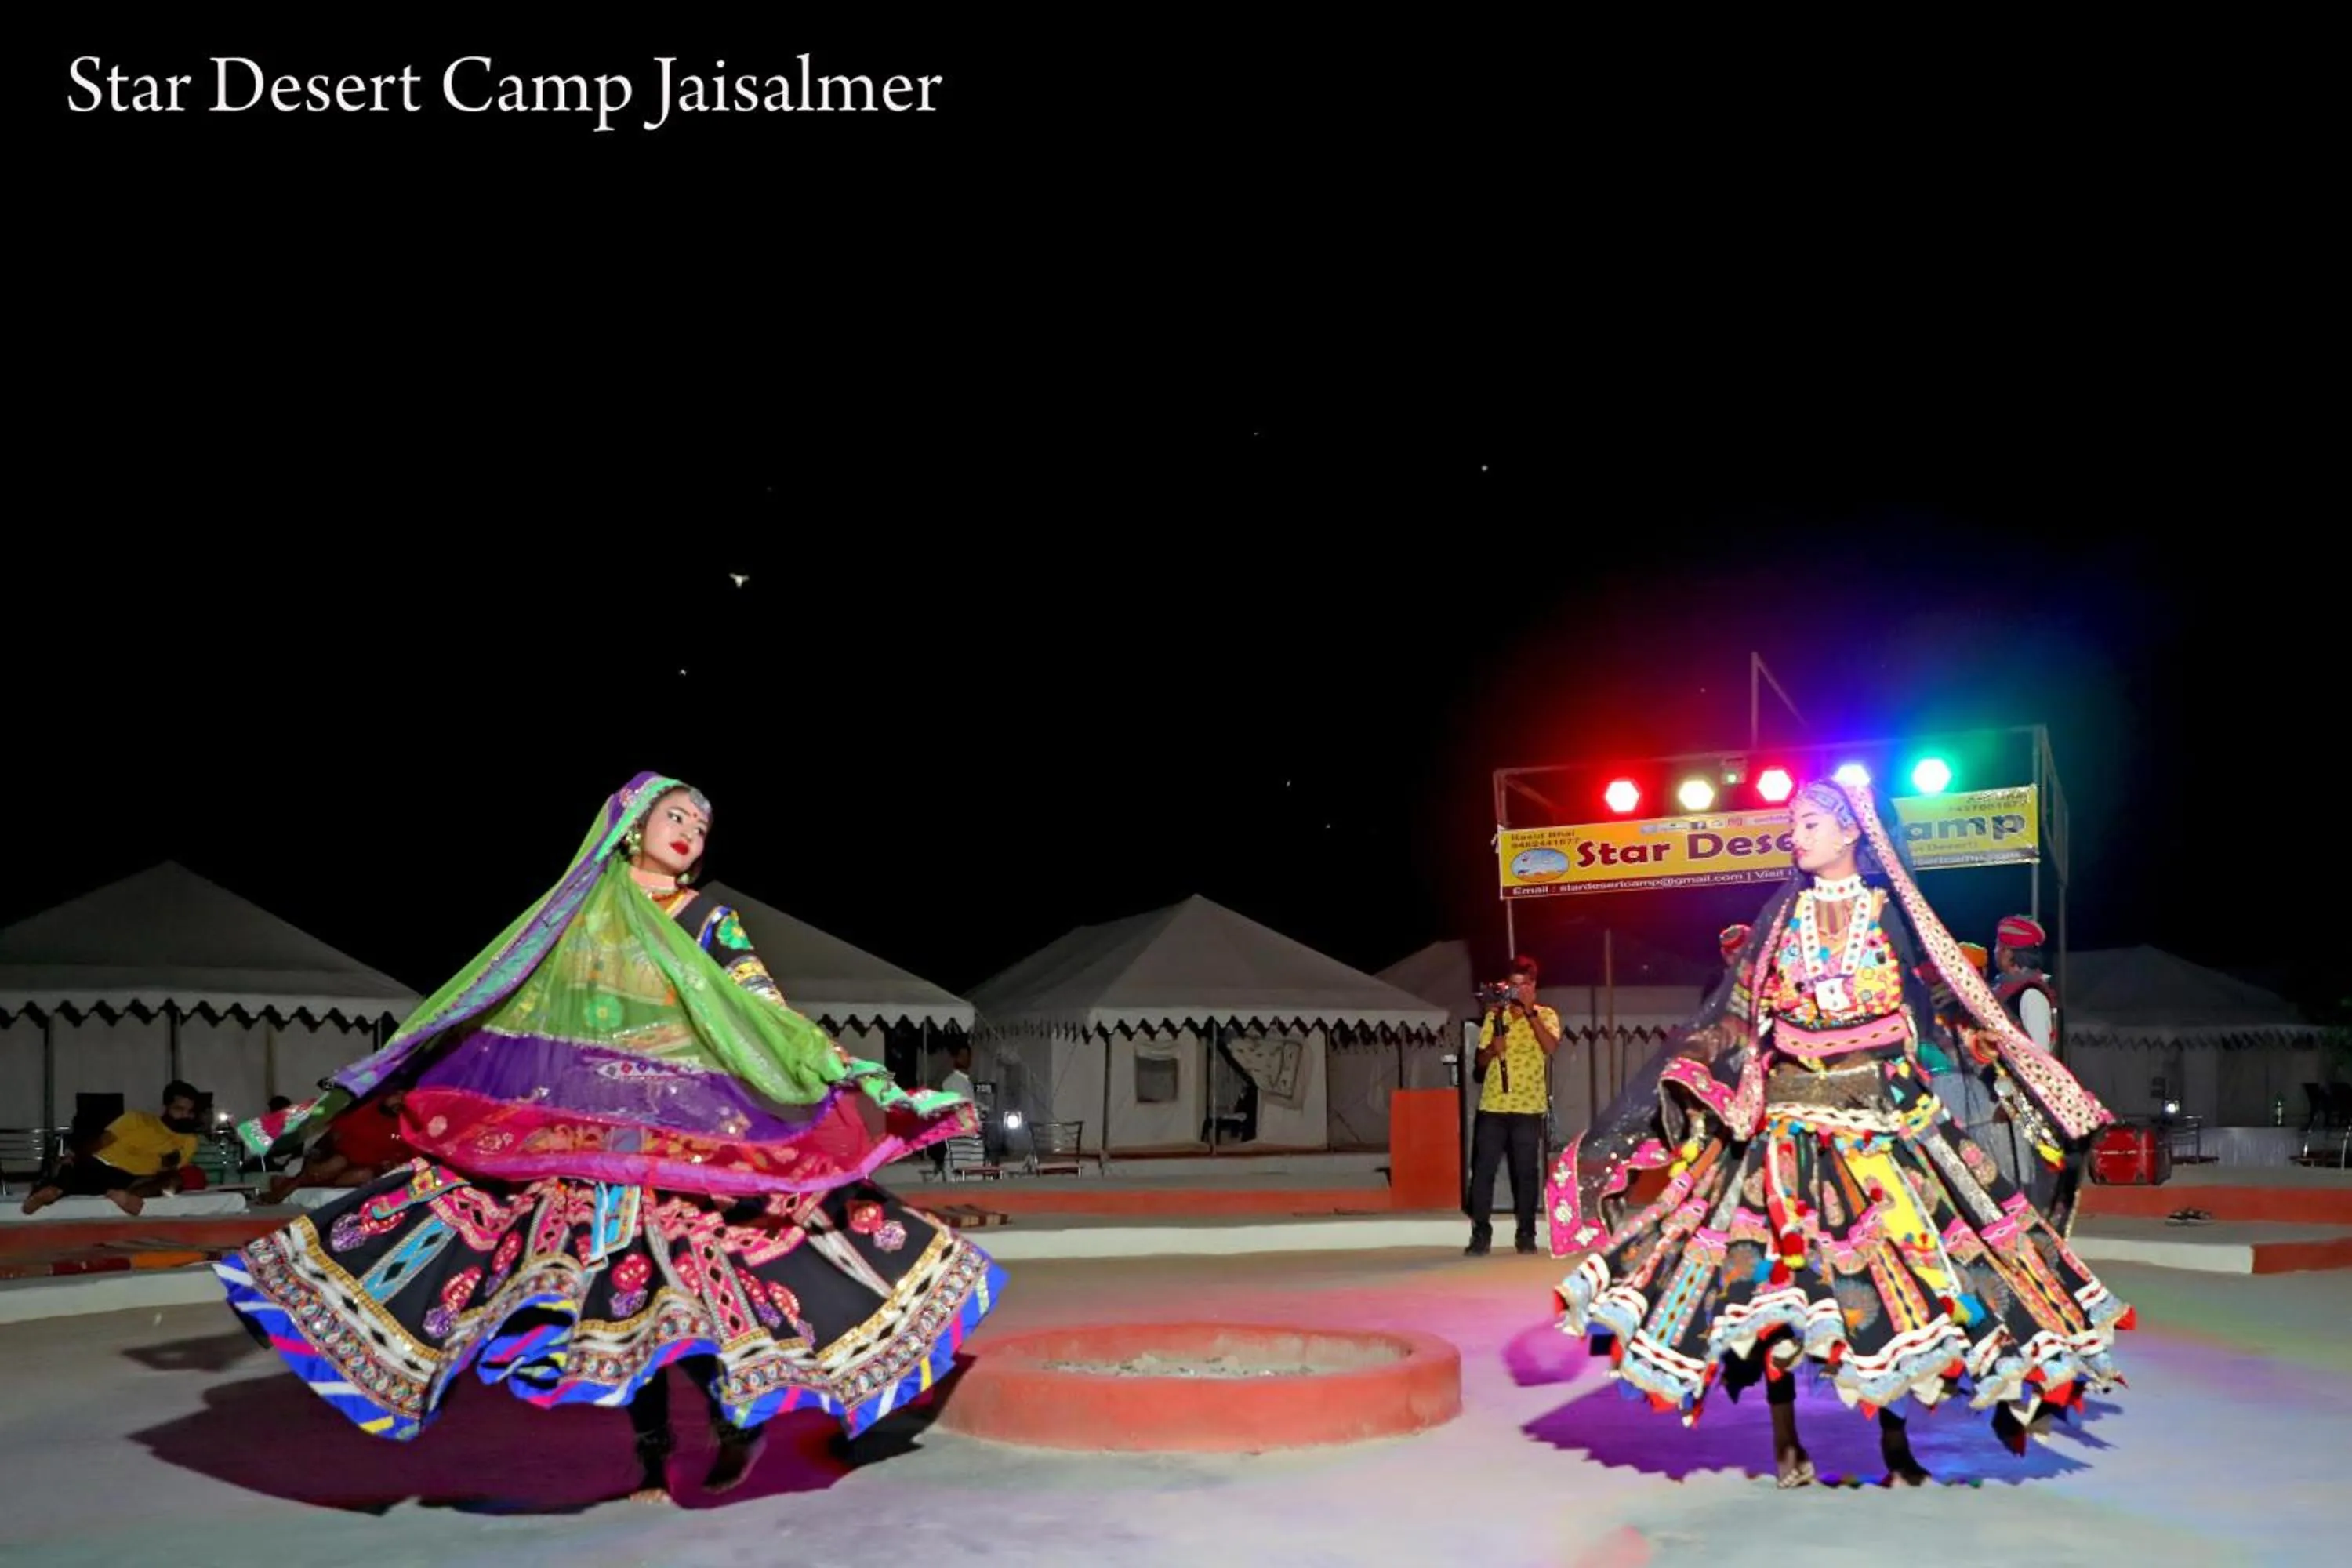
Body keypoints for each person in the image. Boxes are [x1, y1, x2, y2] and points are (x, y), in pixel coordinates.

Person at [216, 775, 1001, 1507]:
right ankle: (653, 1449)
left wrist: (853, 1071)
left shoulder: (708, 921)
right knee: (619, 1290)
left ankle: (733, 1420)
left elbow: (766, 1009)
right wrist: (390, 1073)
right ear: (630, 827)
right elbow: (501, 998)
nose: (691, 831)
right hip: (590, 1132)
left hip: (691, 1128)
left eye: (701, 824)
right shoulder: (577, 920)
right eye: (675, 816)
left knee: (697, 1279)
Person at [1544, 775, 2129, 1487]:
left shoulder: (1889, 913)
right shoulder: (1782, 920)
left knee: (1905, 1274)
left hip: (1881, 1117)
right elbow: (1739, 1012)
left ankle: (1897, 1443)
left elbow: (1940, 996)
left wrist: (1989, 1053)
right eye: (1792, 824)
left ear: (1853, 831)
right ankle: (1786, 1439)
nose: (1796, 836)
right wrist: (1698, 1054)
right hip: (1788, 1119)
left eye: (1810, 823)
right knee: (1779, 1283)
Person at [1466, 954, 1560, 1256]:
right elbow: (1479, 1065)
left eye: (1523, 985)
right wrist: (1492, 1050)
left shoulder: (1546, 1015)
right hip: (1493, 1105)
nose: (1517, 991)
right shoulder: (1496, 1015)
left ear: (1533, 986)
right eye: (1513, 985)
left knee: (1526, 1173)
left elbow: (1550, 1047)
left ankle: (1527, 1233)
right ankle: (1481, 1233)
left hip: (1528, 1107)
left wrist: (1530, 1013)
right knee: (1483, 1170)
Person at [19, 1080, 204, 1217]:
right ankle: (50, 1192)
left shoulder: (189, 1140)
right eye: (179, 1109)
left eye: (189, 1112)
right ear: (166, 1107)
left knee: (173, 1182)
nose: (184, 1116)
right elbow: (102, 1142)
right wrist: (75, 1155)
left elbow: (168, 1170)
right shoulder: (137, 1119)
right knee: (74, 1168)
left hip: (136, 1181)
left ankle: (124, 1196)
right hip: (103, 1167)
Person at [260, 1088, 413, 1205]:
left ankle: (291, 1184)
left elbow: (408, 1156)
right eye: (397, 1096)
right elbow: (329, 1138)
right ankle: (289, 1187)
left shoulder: (407, 1123)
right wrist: (313, 1157)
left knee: (363, 1174)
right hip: (338, 1160)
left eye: (405, 1097)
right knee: (338, 1162)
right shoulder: (361, 1112)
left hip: (368, 1170)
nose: (401, 1101)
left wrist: (394, 1164)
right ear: (385, 1095)